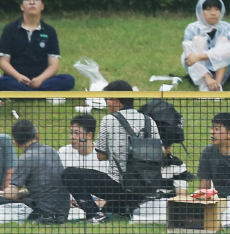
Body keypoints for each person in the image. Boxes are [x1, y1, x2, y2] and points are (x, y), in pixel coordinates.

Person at [65, 80, 159, 222]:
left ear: (115, 99)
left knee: (69, 174)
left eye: (107, 99)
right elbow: (159, 152)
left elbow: (101, 156)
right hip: (145, 188)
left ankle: (94, 214)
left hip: (118, 187)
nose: (106, 104)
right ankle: (118, 211)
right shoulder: (149, 121)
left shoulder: (109, 120)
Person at [0, 0, 75, 92]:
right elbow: (4, 62)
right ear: (22, 6)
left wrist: (40, 79)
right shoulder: (10, 29)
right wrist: (19, 77)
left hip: (42, 79)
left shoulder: (49, 31)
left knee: (68, 79)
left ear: (42, 6)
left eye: (36, 0)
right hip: (16, 79)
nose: (32, 3)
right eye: (27, 0)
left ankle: (27, 93)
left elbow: (54, 65)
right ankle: (39, 93)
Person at [0, 118, 69, 223]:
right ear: (37, 135)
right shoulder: (51, 150)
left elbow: (11, 194)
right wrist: (21, 193)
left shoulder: (25, 158)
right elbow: (47, 186)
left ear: (16, 143)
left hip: (44, 213)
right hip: (64, 211)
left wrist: (3, 193)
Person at [182, 0, 230, 92]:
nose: (213, 13)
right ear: (201, 11)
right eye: (208, 9)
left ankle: (217, 85)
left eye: (217, 9)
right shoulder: (192, 28)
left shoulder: (227, 28)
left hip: (223, 66)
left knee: (223, 41)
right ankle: (204, 83)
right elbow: (190, 57)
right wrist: (208, 78)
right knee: (198, 40)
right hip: (197, 67)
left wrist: (201, 57)